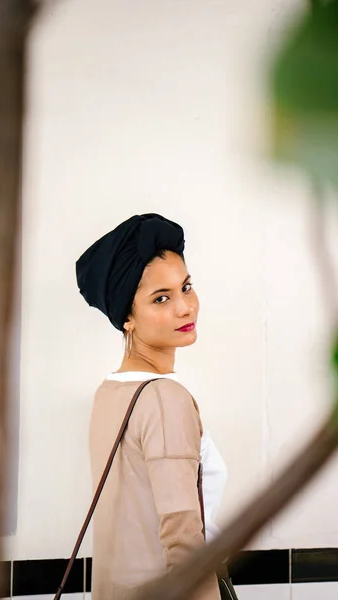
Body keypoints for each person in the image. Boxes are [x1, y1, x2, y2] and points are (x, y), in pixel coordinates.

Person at [76, 213, 228, 600]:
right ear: (127, 316)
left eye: (186, 287)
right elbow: (182, 536)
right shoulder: (164, 398)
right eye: (162, 298)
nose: (185, 307)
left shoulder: (109, 392)